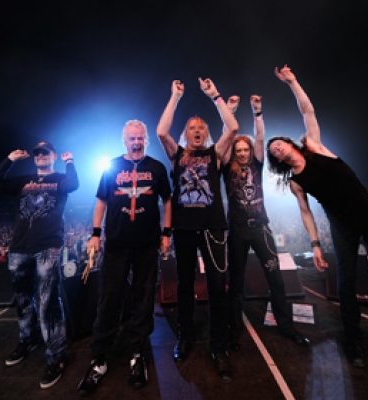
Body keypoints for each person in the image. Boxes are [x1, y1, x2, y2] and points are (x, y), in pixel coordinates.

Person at [267, 65, 368, 368]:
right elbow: (305, 212)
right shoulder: (295, 182)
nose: (276, 148)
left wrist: (293, 82)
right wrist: (316, 244)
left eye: (277, 143)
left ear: (288, 142)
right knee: (345, 281)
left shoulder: (314, 146)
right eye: (273, 151)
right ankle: (354, 340)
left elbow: (308, 111)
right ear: (277, 160)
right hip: (342, 225)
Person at [77, 120, 172, 396]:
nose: (136, 142)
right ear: (124, 140)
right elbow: (101, 201)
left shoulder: (157, 168)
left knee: (144, 301)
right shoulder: (111, 166)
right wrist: (95, 234)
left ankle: (137, 354)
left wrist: (166, 233)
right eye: (132, 138)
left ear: (146, 140)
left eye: (140, 138)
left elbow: (167, 200)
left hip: (147, 245)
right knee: (109, 300)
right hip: (116, 245)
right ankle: (99, 358)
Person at [156, 78, 239, 383]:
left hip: (213, 227)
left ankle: (218, 347)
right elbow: (161, 132)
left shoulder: (215, 154)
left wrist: (215, 96)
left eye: (201, 127)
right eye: (192, 127)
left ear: (206, 133)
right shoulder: (177, 154)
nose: (197, 130)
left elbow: (232, 128)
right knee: (184, 284)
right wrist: (175, 97)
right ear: (186, 133)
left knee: (217, 285)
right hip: (184, 228)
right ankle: (186, 336)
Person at [0, 141, 79, 388]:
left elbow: (73, 185)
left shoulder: (60, 179)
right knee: (22, 300)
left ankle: (56, 357)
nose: (40, 156)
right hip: (19, 247)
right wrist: (9, 160)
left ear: (53, 156)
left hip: (48, 246)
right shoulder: (23, 180)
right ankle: (28, 340)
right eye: (37, 153)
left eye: (45, 153)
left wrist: (70, 162)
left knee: (48, 303)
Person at [222, 94, 310, 351]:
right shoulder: (227, 167)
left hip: (261, 228)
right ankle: (234, 331)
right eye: (238, 150)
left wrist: (257, 111)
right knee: (235, 284)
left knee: (277, 280)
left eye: (245, 150)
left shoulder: (257, 164)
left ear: (250, 152)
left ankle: (287, 327)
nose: (242, 153)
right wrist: (229, 112)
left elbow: (260, 138)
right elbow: (226, 138)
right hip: (237, 231)